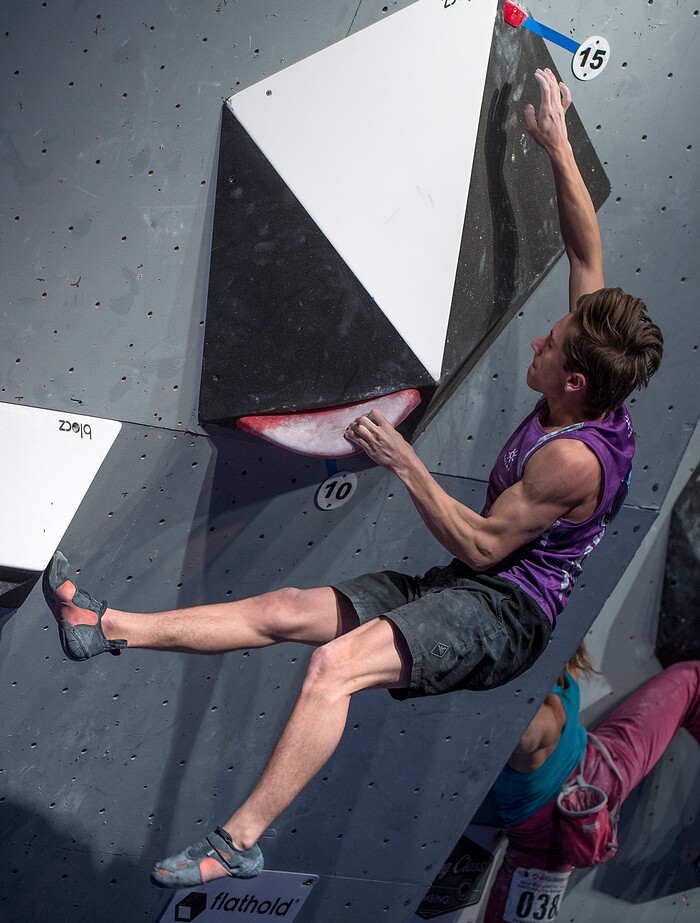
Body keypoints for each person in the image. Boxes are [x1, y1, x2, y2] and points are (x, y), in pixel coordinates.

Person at [42, 69, 663, 889]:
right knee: (289, 611)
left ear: (575, 382)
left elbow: (481, 545)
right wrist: (553, 140)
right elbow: (586, 245)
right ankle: (106, 625)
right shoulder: (590, 369)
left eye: (550, 347)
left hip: (505, 617)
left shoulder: (571, 458)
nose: (542, 345)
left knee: (335, 665)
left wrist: (405, 461)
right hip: (472, 588)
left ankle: (238, 842)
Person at [482, 651, 700, 922]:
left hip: (550, 835)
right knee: (692, 681)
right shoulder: (564, 668)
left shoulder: (542, 721)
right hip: (604, 771)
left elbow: (523, 734)